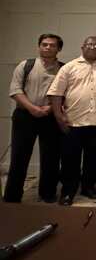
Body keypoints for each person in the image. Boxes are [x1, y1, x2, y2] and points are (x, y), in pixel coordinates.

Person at [47, 36, 96, 206]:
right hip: (73, 122)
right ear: (82, 47)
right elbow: (56, 93)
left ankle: (88, 187)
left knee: (93, 159)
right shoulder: (69, 67)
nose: (93, 47)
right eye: (90, 44)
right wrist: (59, 117)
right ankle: (68, 191)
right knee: (70, 159)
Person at [4, 34, 64, 203]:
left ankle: (47, 194)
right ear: (39, 46)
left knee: (51, 158)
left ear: (58, 49)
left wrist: (50, 108)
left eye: (52, 45)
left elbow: (66, 93)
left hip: (50, 117)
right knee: (19, 156)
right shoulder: (26, 65)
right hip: (25, 116)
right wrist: (32, 108)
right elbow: (15, 90)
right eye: (44, 44)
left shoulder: (63, 69)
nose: (47, 47)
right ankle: (12, 196)